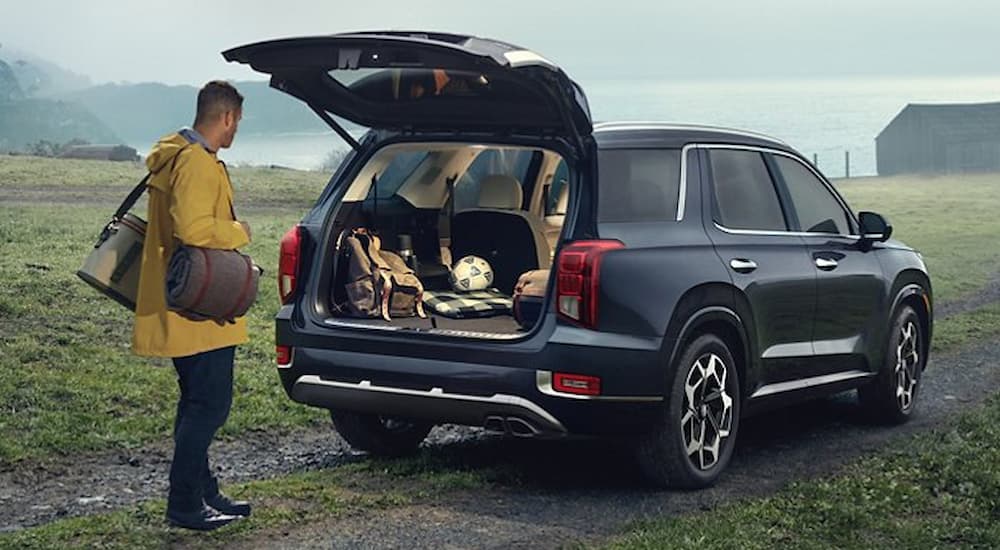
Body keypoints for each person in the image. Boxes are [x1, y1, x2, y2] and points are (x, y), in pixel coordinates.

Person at [133, 81, 252, 531]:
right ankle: (185, 504)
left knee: (196, 403)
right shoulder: (198, 164)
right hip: (200, 306)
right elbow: (196, 228)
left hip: (183, 299)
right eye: (237, 121)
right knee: (210, 406)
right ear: (226, 118)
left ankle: (204, 492)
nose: (236, 129)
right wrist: (239, 231)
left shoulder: (177, 154)